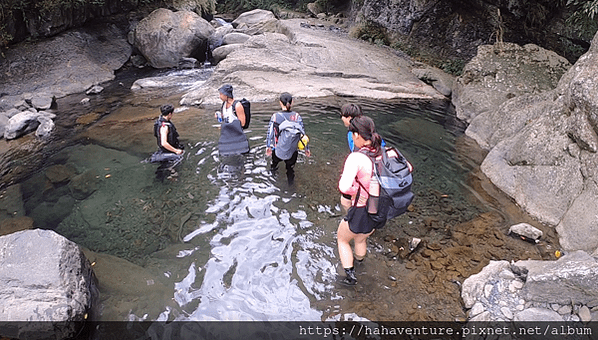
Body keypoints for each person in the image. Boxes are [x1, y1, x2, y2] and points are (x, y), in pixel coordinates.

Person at [337, 115, 386, 285]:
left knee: (342, 239)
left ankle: (349, 278)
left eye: (352, 134)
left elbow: (344, 187)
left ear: (357, 135)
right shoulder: (383, 152)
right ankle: (360, 265)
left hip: (361, 208)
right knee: (361, 239)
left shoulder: (356, 158)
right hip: (380, 208)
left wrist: (355, 190)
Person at [266, 92, 311, 186]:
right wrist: (307, 149)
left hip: (277, 149)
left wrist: (268, 146)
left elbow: (270, 133)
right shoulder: (297, 116)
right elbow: (303, 134)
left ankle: (271, 181)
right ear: (292, 102)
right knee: (290, 169)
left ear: (280, 103)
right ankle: (291, 187)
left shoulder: (275, 116)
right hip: (292, 150)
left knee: (274, 165)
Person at [150, 104, 184, 180]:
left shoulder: (160, 121)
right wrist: (176, 151)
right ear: (169, 114)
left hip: (164, 150)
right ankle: (171, 175)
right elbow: (164, 143)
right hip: (165, 151)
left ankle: (167, 175)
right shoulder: (164, 127)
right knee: (178, 158)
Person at [216, 84, 249, 155]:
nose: (219, 96)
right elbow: (225, 118)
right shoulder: (224, 105)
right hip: (228, 135)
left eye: (221, 94)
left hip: (237, 135)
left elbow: (242, 123)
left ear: (226, 95)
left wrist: (228, 126)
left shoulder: (237, 106)